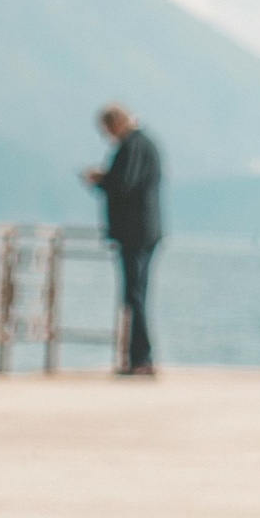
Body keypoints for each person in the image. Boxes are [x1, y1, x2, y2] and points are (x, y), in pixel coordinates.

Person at [84, 106, 164, 375]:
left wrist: (100, 179)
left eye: (107, 130)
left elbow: (123, 184)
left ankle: (140, 358)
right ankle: (139, 357)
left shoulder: (132, 146)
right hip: (147, 229)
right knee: (137, 294)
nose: (108, 136)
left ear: (116, 123)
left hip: (135, 231)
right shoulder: (146, 144)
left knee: (134, 295)